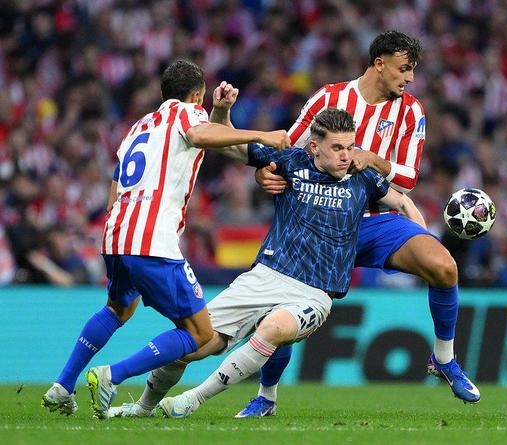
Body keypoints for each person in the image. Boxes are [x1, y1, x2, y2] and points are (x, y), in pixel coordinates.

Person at [108, 107, 425, 419]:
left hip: (314, 293)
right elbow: (231, 145)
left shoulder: (363, 177)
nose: (346, 156)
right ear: (314, 147)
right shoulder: (290, 161)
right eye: (337, 148)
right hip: (265, 276)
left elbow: (402, 202)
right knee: (192, 342)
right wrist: (222, 110)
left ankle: (193, 399)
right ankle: (142, 408)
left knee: (273, 328)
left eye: (350, 147)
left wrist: (424, 242)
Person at [241, 30, 480, 415]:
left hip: (378, 220)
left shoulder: (411, 111)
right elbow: (289, 151)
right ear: (379, 64)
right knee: (283, 314)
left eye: (413, 70)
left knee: (443, 266)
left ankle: (444, 359)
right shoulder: (329, 98)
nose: (410, 78)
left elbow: (408, 179)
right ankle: (266, 396)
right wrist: (263, 172)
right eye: (404, 69)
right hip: (321, 221)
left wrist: (374, 160)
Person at [41, 59, 290, 419]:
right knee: (200, 333)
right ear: (197, 95)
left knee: (117, 309)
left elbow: (115, 186)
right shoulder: (187, 113)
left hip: (116, 234)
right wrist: (262, 135)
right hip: (152, 239)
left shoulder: (139, 127)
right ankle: (112, 376)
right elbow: (200, 135)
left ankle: (63, 386)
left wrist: (220, 113)